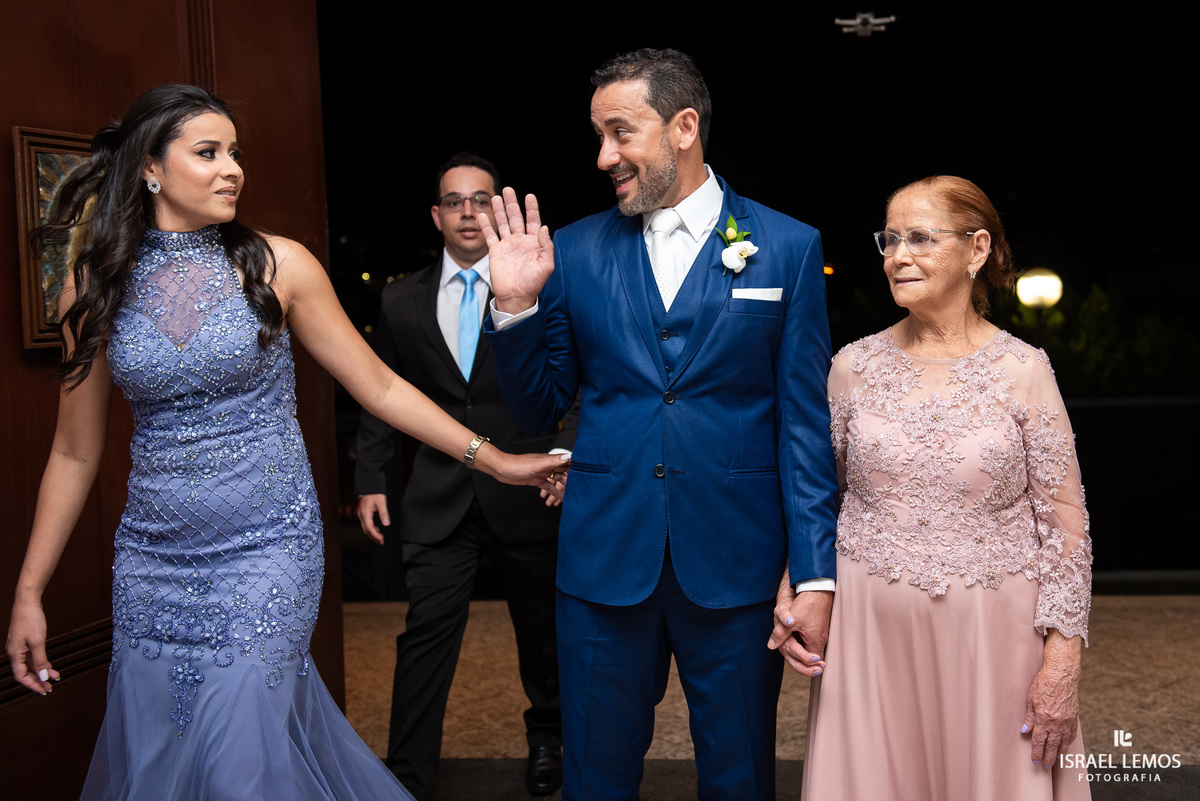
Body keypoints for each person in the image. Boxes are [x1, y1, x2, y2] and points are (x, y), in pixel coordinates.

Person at [3, 85, 565, 801]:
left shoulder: (279, 266)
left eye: (234, 152)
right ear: (149, 166)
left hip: (268, 551)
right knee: (166, 760)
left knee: (240, 767)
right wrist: (29, 589)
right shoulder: (92, 286)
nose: (232, 167)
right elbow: (73, 451)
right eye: (207, 152)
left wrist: (500, 460)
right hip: (152, 562)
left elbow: (382, 389)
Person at [480, 49, 839, 800]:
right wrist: (513, 307)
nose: (604, 156)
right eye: (599, 136)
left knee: (740, 775)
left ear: (683, 126)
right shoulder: (573, 251)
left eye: (619, 133)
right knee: (596, 777)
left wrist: (814, 575)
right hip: (604, 559)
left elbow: (804, 426)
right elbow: (539, 405)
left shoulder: (787, 247)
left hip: (737, 565)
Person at [773, 175, 1092, 800]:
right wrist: (799, 582)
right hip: (870, 637)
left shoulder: (1024, 370)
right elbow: (821, 496)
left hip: (994, 641)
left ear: (977, 250)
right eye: (889, 238)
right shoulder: (852, 366)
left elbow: (1066, 531)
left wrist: (1061, 661)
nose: (897, 254)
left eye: (919, 237)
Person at [355, 151, 575, 799]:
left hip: (529, 486)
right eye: (456, 200)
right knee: (425, 634)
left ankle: (547, 743)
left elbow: (576, 377)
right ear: (437, 215)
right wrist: (371, 475)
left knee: (542, 633)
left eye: (481, 198)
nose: (470, 211)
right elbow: (382, 391)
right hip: (439, 494)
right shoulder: (400, 299)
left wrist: (564, 451)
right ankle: (407, 772)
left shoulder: (540, 283)